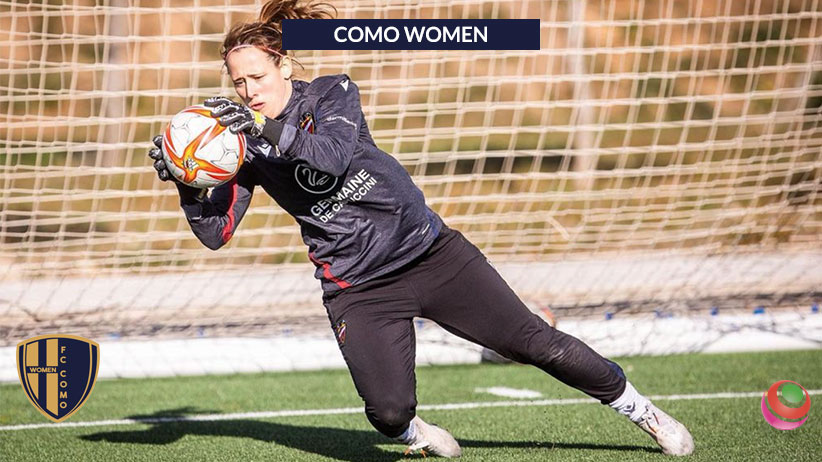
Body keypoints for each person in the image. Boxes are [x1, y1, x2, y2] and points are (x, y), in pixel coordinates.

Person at [148, 0, 694, 457]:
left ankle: (642, 411)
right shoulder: (244, 145)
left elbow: (331, 158)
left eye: (258, 77)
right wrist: (187, 183)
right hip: (358, 286)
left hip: (430, 254)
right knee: (387, 414)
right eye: (239, 83)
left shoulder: (333, 93)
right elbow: (215, 233)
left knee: (534, 342)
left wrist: (264, 127)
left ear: (285, 67)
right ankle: (418, 434)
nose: (248, 91)